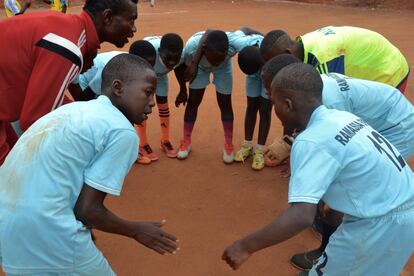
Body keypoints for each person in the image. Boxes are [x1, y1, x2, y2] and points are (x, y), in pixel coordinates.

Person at [222, 63, 414, 276]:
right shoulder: (343, 116)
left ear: (287, 104)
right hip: (403, 210)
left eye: (273, 102)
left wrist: (244, 246)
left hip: (378, 223)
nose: (273, 107)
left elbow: (302, 215)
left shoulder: (310, 141)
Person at [0, 54, 179, 275]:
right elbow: (87, 210)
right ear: (118, 87)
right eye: (148, 92)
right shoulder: (121, 131)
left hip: (7, 226)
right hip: (50, 229)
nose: (153, 101)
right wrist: (136, 230)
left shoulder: (73, 110)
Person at [0, 0, 138, 166]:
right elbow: (34, 120)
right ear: (107, 17)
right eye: (131, 20)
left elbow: (47, 103)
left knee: (14, 164)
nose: (134, 28)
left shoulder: (67, 29)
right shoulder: (68, 47)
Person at [260, 26, 410, 93]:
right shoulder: (303, 46)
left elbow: (330, 105)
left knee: (369, 130)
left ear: (288, 52)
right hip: (375, 62)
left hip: (389, 71)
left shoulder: (323, 58)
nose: (276, 67)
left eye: (276, 62)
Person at [137, 33, 184, 161]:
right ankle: (143, 144)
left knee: (163, 104)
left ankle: (165, 140)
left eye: (176, 59)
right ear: (159, 52)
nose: (172, 63)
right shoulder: (148, 54)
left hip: (161, 76)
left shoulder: (179, 54)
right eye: (168, 59)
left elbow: (179, 68)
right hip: (143, 75)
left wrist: (182, 89)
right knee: (143, 107)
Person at [233, 30, 273, 170]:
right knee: (251, 106)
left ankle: (260, 150)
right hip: (253, 73)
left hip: (268, 74)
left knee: (265, 109)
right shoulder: (240, 43)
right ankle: (247, 145)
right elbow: (245, 28)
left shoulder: (271, 54)